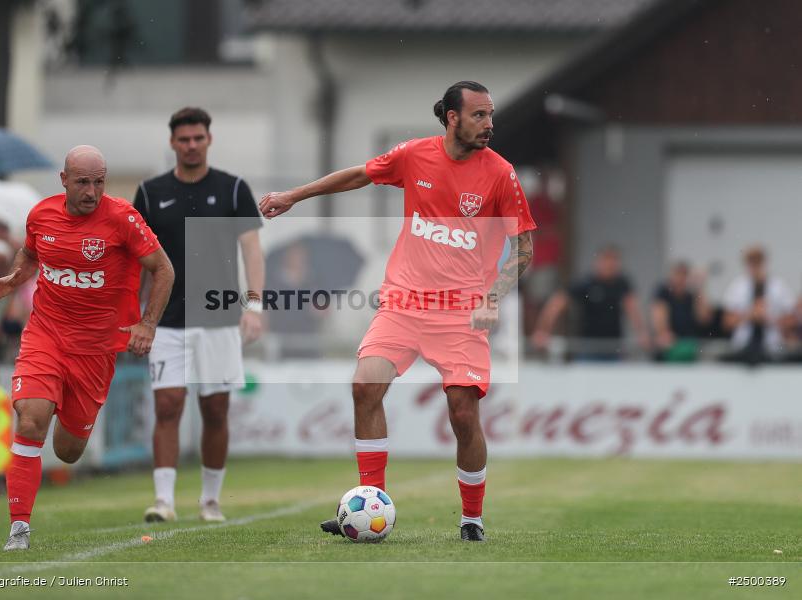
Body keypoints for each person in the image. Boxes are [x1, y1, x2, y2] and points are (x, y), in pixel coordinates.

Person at [260, 81, 536, 542]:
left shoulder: (500, 174)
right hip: (404, 301)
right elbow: (358, 175)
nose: (489, 125)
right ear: (452, 118)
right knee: (365, 384)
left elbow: (523, 248)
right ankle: (372, 504)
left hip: (460, 311)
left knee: (462, 412)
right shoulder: (414, 155)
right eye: (479, 116)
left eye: (491, 115)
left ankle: (472, 518)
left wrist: (493, 296)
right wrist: (294, 196)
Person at [0, 145, 174, 551]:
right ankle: (19, 528)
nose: (91, 191)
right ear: (64, 179)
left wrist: (147, 323)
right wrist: (15, 278)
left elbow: (164, 270)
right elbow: (31, 253)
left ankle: (70, 434)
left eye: (99, 181)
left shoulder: (122, 217)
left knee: (68, 451)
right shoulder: (41, 214)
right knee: (31, 419)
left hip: (96, 350)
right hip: (46, 335)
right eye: (83, 182)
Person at [134, 107, 264, 523]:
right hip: (167, 319)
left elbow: (251, 248)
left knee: (215, 409)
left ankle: (210, 500)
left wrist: (255, 304)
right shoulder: (151, 193)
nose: (191, 145)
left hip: (220, 318)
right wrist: (137, 316)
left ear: (209, 140)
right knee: (168, 404)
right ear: (172, 142)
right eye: (184, 139)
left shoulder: (232, 189)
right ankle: (164, 501)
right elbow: (137, 259)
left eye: (198, 138)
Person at [531, 245, 649, 360]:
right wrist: (543, 330)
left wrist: (642, 333)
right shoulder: (585, 283)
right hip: (587, 348)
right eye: (606, 260)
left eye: (614, 261)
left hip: (613, 348)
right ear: (598, 262)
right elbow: (556, 304)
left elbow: (633, 309)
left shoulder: (622, 284)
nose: (610, 265)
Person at [721, 246, 794, 365]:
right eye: (752, 263)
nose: (755, 267)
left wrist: (768, 319)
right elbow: (726, 322)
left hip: (772, 347)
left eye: (758, 262)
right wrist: (749, 316)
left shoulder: (778, 286)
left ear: (764, 263)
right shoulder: (737, 286)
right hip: (742, 347)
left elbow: (792, 321)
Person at [650, 261, 711, 361]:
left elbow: (704, 318)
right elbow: (659, 320)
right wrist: (664, 333)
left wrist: (700, 287)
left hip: (689, 345)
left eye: (684, 275)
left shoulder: (691, 295)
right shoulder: (663, 293)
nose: (681, 279)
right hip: (670, 347)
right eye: (678, 274)